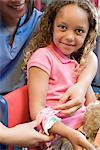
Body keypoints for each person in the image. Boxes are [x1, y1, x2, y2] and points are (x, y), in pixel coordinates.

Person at [0, 0, 97, 148]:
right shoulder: (44, 57)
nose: (69, 37)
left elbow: (90, 57)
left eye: (78, 31)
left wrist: (82, 85)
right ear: (52, 27)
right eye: (63, 27)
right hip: (58, 134)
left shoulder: (40, 21)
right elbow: (38, 112)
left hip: (79, 129)